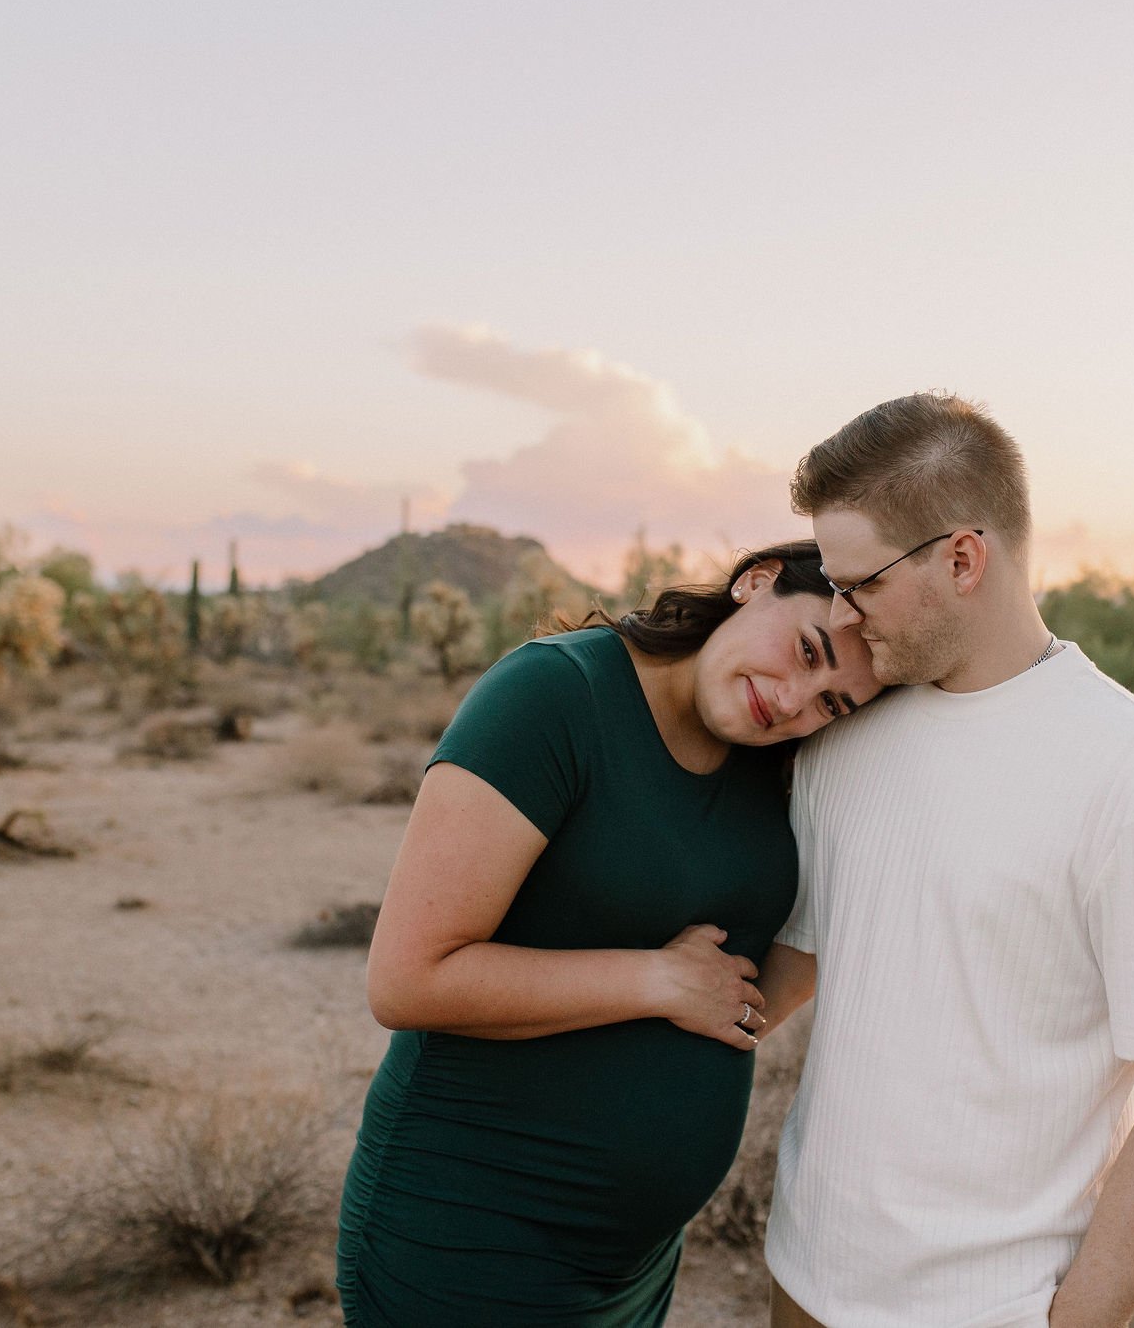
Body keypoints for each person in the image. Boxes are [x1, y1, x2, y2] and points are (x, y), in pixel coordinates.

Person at [752, 394, 1134, 1328]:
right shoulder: (843, 735)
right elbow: (807, 956)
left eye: (861, 584)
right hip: (803, 1275)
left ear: (962, 559)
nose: (841, 614)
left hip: (990, 1306)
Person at [337, 541, 883, 1327]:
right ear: (755, 582)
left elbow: (750, 972)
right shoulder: (554, 694)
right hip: (471, 1233)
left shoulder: (771, 756)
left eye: (832, 702)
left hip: (632, 1267)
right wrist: (657, 981)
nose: (793, 699)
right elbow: (407, 979)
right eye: (806, 650)